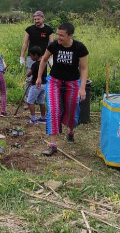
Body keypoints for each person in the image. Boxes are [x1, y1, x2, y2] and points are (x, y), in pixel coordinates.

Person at [36, 22, 88, 156]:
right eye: (57, 34)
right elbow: (43, 60)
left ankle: (70, 130)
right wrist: (39, 77)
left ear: (70, 35)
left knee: (72, 109)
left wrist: (82, 88)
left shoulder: (79, 47)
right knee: (53, 110)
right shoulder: (53, 45)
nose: (58, 37)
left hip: (72, 83)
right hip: (54, 81)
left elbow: (83, 68)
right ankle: (52, 145)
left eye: (62, 35)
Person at [20, 11, 54, 108]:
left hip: (43, 58)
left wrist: (51, 58)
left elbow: (51, 44)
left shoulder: (48, 30)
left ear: (43, 18)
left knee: (42, 78)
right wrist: (22, 56)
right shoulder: (29, 29)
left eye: (38, 19)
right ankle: (27, 100)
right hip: (31, 57)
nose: (36, 21)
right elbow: (25, 43)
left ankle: (39, 100)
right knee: (29, 78)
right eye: (35, 19)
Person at [25, 46, 47, 124]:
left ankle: (33, 119)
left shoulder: (35, 64)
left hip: (36, 85)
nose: (31, 57)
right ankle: (43, 118)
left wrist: (28, 74)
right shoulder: (44, 63)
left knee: (30, 101)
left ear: (36, 55)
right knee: (41, 101)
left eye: (31, 55)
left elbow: (29, 74)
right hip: (44, 85)